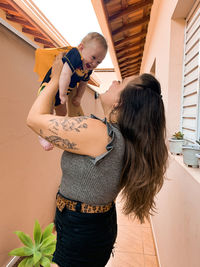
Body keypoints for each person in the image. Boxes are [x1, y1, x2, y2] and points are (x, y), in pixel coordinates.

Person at [27, 54, 168, 267]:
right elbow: (80, 132)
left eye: (120, 83)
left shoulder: (102, 134)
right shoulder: (119, 136)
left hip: (81, 229)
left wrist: (56, 78)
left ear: (121, 101)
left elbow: (34, 119)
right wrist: (75, 99)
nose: (113, 81)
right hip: (92, 225)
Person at [35, 32, 107, 151]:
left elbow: (83, 84)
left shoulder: (88, 69)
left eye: (98, 62)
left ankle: (54, 130)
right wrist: (63, 94)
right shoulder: (75, 55)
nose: (94, 64)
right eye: (93, 58)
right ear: (81, 48)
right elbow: (65, 73)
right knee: (47, 110)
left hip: (61, 93)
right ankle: (42, 134)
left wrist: (78, 97)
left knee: (62, 113)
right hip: (49, 88)